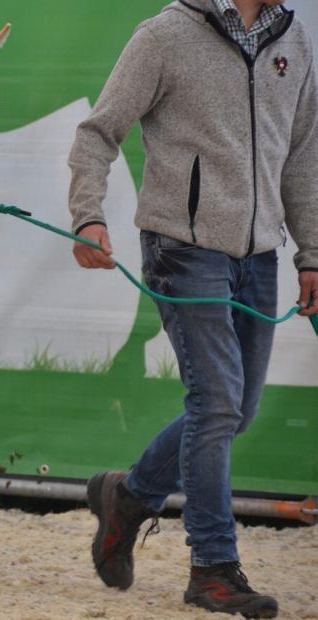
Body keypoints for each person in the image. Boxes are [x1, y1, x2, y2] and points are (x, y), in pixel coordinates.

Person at [67, 0, 317, 617]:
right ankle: (212, 568)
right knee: (218, 403)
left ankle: (128, 498)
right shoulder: (165, 35)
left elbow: (304, 157)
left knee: (237, 409)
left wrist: (310, 254)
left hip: (259, 255)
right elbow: (96, 133)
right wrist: (88, 215)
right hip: (182, 250)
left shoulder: (295, 40)